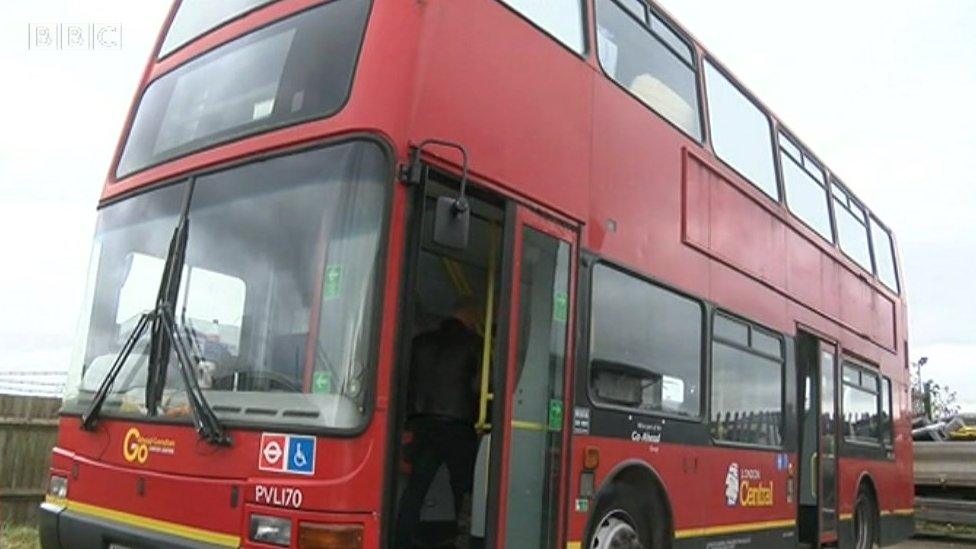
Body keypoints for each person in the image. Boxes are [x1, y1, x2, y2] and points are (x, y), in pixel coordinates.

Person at [396, 297, 484, 548]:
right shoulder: (475, 343)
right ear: (469, 319)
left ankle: (400, 539)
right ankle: (464, 538)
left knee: (416, 489)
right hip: (457, 425)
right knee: (465, 488)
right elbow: (480, 386)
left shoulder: (420, 342)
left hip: (422, 423)